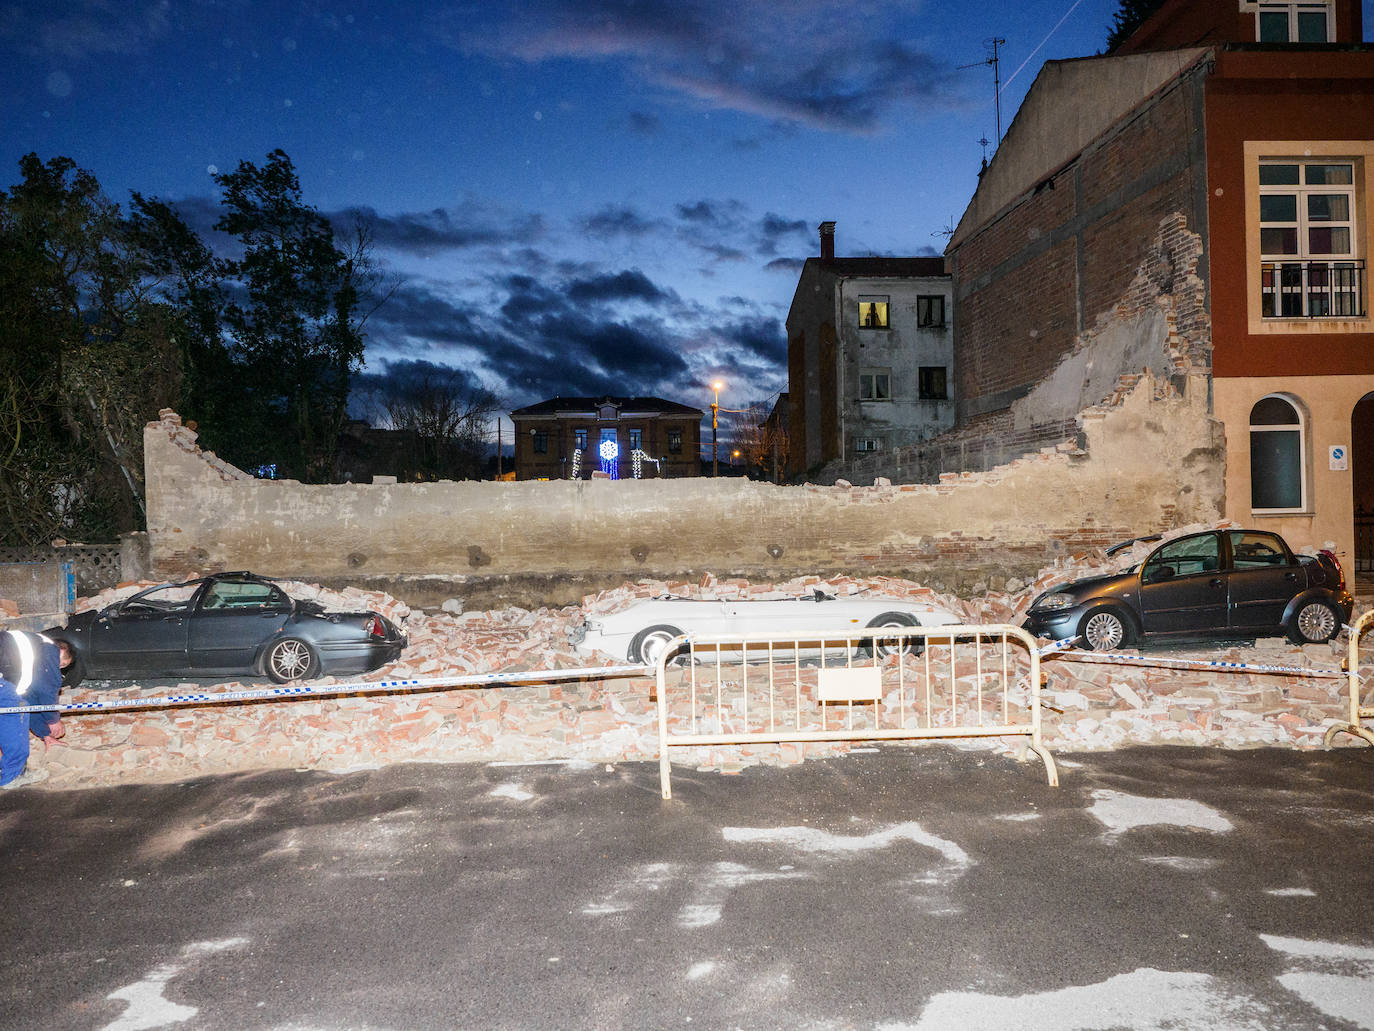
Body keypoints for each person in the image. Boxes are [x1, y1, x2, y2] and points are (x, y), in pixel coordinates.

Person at [0, 630, 69, 789]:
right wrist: (53, 720)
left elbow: (28, 701)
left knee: (14, 710)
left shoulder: (28, 655)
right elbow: (47, 688)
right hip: (2, 679)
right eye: (62, 664)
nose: (59, 668)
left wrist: (45, 734)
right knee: (13, 721)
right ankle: (13, 776)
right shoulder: (50, 648)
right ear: (61, 650)